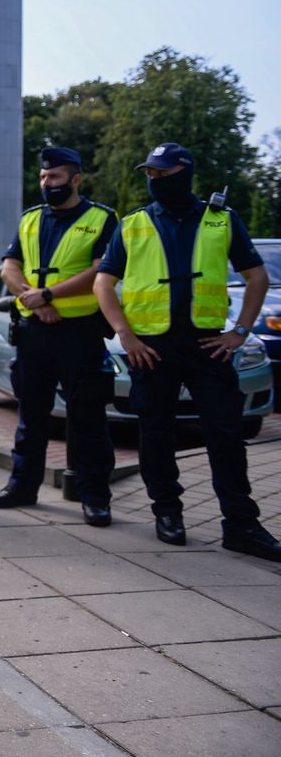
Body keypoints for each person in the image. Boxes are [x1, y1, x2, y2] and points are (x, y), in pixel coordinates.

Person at [95, 143, 281, 560]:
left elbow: (257, 278)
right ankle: (167, 512)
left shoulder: (221, 220)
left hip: (207, 345)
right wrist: (125, 334)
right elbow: (103, 284)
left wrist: (239, 332)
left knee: (226, 434)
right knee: (156, 432)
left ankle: (241, 524)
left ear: (186, 171)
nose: (155, 180)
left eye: (164, 173)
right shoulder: (133, 224)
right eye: (151, 173)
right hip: (151, 348)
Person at [0, 147, 118, 526]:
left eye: (56, 178)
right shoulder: (30, 219)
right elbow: (9, 267)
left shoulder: (101, 219)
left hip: (79, 333)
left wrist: (50, 295)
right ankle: (22, 486)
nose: (47, 184)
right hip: (34, 331)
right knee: (30, 416)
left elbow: (102, 270)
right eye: (44, 178)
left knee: (88, 418)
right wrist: (31, 297)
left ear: (76, 179)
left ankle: (95, 497)